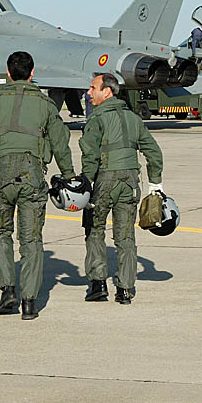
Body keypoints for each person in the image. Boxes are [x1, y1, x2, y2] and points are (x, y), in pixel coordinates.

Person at [0, 51, 74, 320]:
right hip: (32, 176)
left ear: (8, 73)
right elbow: (60, 143)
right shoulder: (45, 104)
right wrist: (70, 175)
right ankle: (29, 303)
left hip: (2, 175)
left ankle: (7, 291)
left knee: (0, 233)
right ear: (32, 73)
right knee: (31, 240)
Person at [79, 73, 163, 305]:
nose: (88, 93)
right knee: (125, 235)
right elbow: (153, 152)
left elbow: (90, 154)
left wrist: (86, 182)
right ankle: (125, 289)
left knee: (94, 228)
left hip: (104, 180)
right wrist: (155, 183)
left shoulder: (97, 119)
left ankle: (98, 285)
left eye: (93, 88)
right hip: (129, 182)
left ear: (107, 92)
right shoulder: (134, 119)